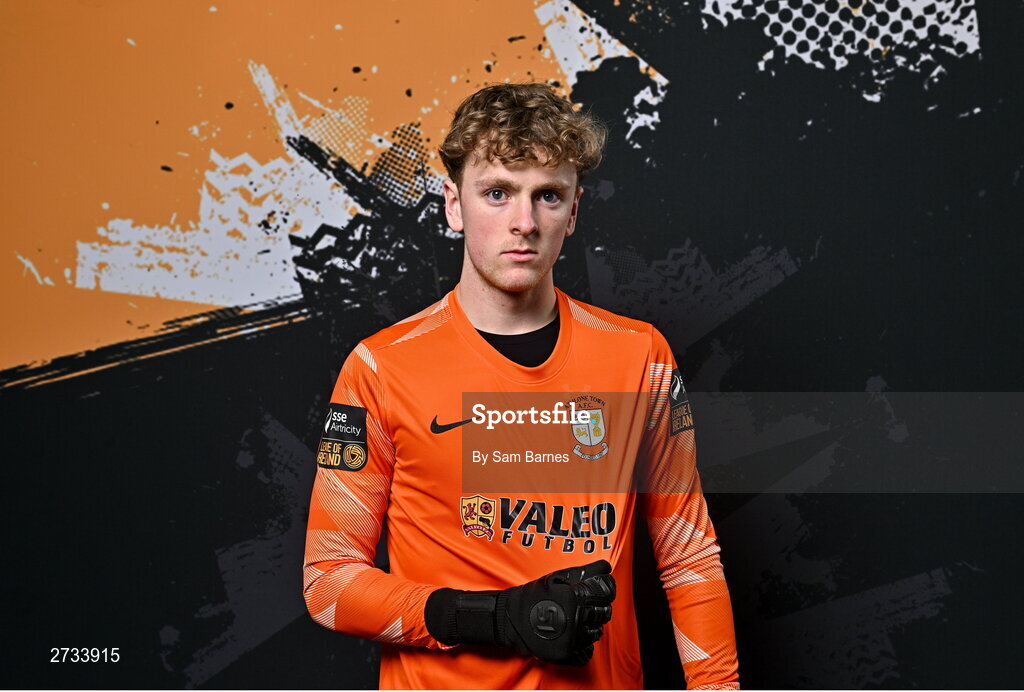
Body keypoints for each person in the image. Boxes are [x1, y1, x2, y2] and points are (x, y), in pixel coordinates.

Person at [303, 82, 739, 689]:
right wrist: (495, 618)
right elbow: (328, 582)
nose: (524, 223)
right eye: (498, 193)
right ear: (455, 205)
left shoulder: (640, 357)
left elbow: (688, 555)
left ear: (575, 211)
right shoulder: (381, 368)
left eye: (548, 196)